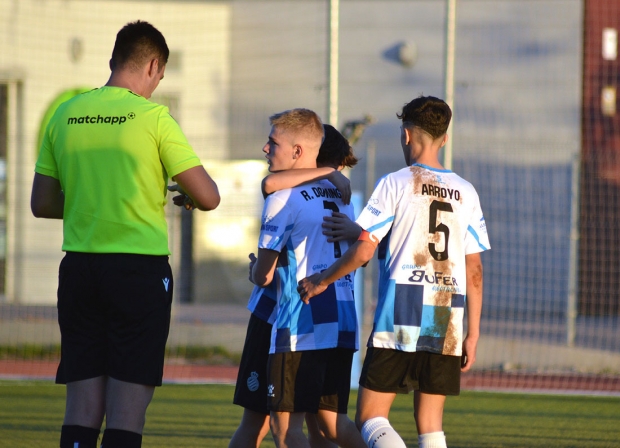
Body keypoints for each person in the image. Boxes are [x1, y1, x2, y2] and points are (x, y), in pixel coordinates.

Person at [30, 20, 220, 448]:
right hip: (138, 273)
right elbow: (208, 196)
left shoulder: (65, 114)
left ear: (114, 60)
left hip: (79, 269)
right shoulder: (154, 118)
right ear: (153, 65)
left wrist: (90, 204)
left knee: (80, 409)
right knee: (126, 413)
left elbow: (41, 204)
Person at [297, 95, 490, 448]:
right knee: (431, 423)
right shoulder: (467, 192)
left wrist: (323, 280)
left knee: (371, 417)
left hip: (401, 310)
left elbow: (367, 248)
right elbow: (474, 268)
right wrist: (473, 333)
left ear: (405, 135)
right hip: (447, 316)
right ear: (444, 138)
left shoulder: (396, 182)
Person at [229, 124, 360, 448]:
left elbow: (265, 274)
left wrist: (256, 271)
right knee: (322, 426)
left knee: (271, 426)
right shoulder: (344, 200)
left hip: (283, 317)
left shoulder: (288, 197)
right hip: (334, 317)